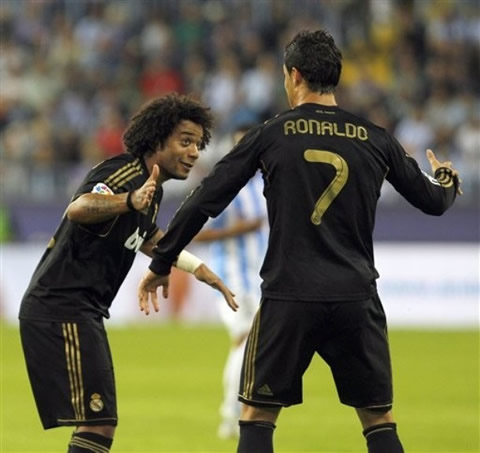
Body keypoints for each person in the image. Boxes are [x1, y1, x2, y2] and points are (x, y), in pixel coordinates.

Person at [137, 30, 462, 453]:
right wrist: (447, 178)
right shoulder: (376, 137)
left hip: (289, 295)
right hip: (355, 295)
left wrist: (162, 261)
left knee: (255, 416)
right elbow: (434, 202)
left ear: (294, 75)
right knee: (379, 419)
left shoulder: (271, 133)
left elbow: (205, 199)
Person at [18, 93, 237, 453]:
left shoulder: (150, 196)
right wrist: (129, 200)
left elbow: (151, 240)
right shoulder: (125, 173)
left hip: (79, 310)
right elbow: (80, 207)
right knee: (98, 422)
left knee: (99, 424)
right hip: (60, 307)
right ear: (156, 141)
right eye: (185, 141)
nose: (195, 152)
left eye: (198, 144)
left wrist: (195, 267)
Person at [193, 124, 268, 439]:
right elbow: (196, 232)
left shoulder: (268, 185)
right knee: (245, 339)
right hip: (233, 276)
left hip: (262, 275)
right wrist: (239, 231)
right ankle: (231, 415)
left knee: (253, 344)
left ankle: (239, 413)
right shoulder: (226, 186)